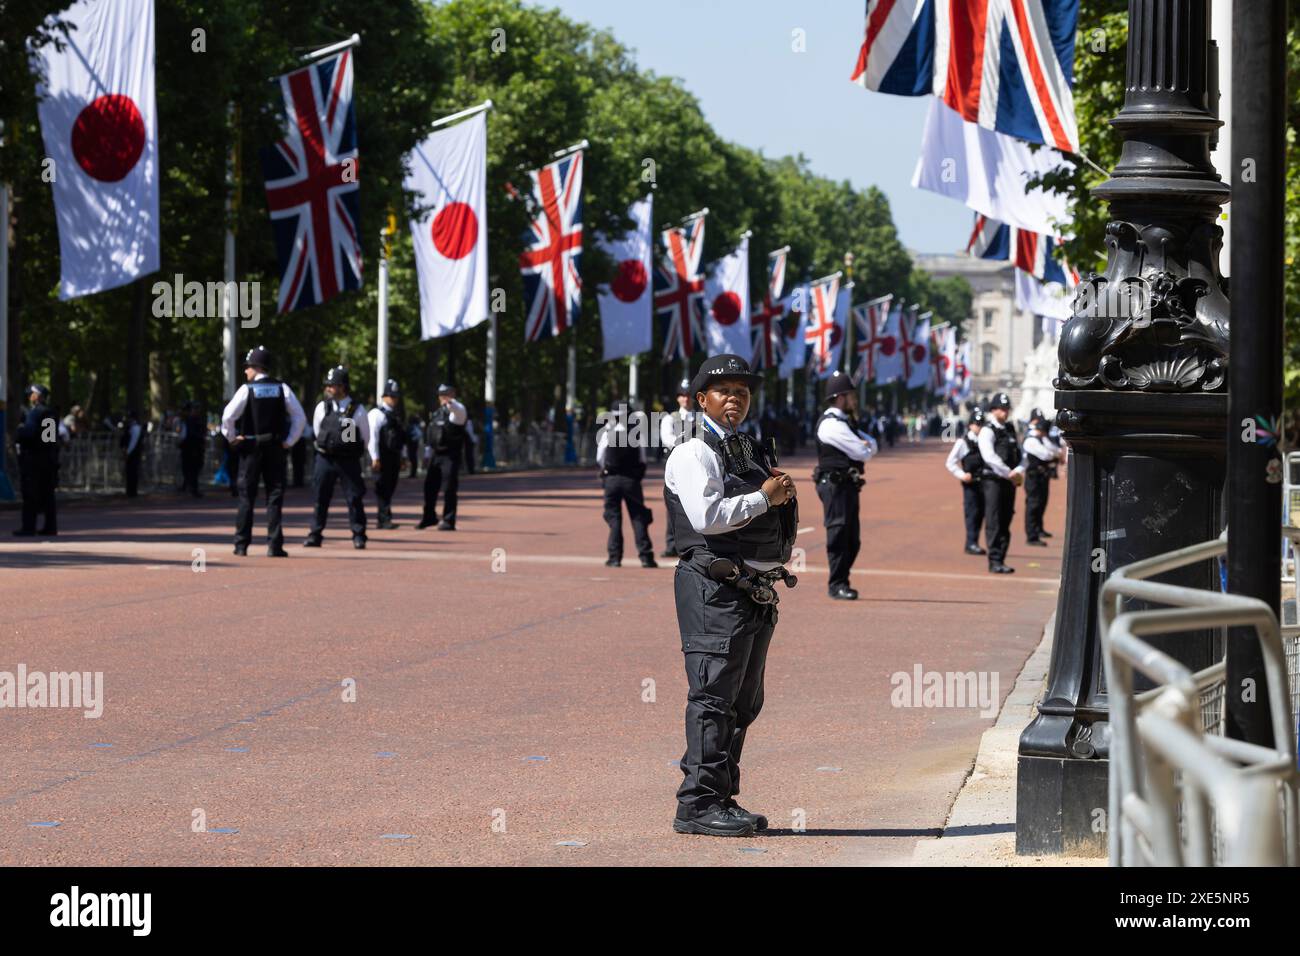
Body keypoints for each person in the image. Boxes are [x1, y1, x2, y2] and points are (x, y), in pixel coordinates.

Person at [664, 353, 799, 838]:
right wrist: (766, 497)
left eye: (742, 392)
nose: (735, 399)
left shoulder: (742, 448)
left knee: (743, 702)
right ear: (702, 400)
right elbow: (707, 518)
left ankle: (720, 796)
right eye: (725, 391)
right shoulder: (694, 451)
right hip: (714, 589)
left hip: (748, 591)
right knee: (713, 697)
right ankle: (697, 804)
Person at [219, 346, 307, 557]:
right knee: (274, 497)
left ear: (256, 367)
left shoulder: (246, 390)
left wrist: (232, 439)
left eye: (248, 367)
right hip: (275, 448)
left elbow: (227, 417)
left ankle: (241, 545)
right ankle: (274, 545)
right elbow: (300, 417)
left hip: (251, 448)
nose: (245, 371)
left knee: (246, 497)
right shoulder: (282, 388)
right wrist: (289, 441)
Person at [814, 370, 877, 600]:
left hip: (847, 485)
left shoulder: (844, 422)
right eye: (850, 394)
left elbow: (872, 445)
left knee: (852, 539)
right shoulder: (832, 425)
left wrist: (865, 445)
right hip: (835, 486)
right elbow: (864, 451)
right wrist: (864, 445)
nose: (854, 399)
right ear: (840, 396)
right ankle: (837, 583)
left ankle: (842, 580)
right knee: (839, 535)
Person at [307, 365, 370, 549]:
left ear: (343, 387)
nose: (328, 388)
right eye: (328, 385)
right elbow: (318, 432)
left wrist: (348, 450)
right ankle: (315, 534)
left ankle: (359, 535)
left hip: (347, 461)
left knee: (354, 498)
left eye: (332, 385)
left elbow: (364, 437)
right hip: (325, 459)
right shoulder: (323, 407)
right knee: (320, 497)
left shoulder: (355, 410)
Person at [596, 402, 656, 568]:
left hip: (612, 479)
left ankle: (614, 557)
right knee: (638, 517)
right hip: (631, 480)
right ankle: (646, 557)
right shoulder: (636, 432)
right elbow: (643, 457)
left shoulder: (607, 431)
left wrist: (606, 472)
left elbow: (600, 457)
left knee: (614, 518)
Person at [978, 392, 1024, 574]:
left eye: (1007, 409)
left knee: (1006, 518)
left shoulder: (1010, 429)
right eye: (1001, 409)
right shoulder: (987, 430)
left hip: (1009, 480)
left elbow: (1020, 453)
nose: (1005, 413)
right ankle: (994, 559)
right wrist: (1009, 472)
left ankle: (1001, 558)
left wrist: (1019, 469)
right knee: (994, 520)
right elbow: (989, 456)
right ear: (993, 410)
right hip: (994, 481)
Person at [13, 384, 66, 537]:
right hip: (48, 459)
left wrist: (20, 431)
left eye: (32, 394)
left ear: (38, 396)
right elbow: (49, 438)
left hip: (34, 459)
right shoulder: (50, 413)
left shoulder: (35, 413)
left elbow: (28, 433)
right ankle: (50, 527)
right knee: (48, 495)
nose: (30, 396)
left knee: (30, 494)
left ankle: (28, 527)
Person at [418, 383, 467, 531]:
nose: (443, 398)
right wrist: (427, 454)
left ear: (453, 395)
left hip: (450, 456)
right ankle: (429, 517)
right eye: (441, 395)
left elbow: (456, 409)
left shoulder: (457, 412)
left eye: (446, 394)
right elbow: (430, 435)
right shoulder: (437, 414)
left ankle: (448, 519)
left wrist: (450, 402)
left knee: (449, 489)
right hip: (436, 455)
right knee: (429, 487)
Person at [658, 378, 696, 558]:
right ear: (678, 398)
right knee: (674, 502)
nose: (685, 399)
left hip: (696, 465)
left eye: (688, 395)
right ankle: (672, 544)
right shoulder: (669, 418)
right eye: (682, 395)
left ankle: (693, 543)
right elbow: (668, 439)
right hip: (676, 464)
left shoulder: (702, 418)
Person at [945, 409, 988, 556]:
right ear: (970, 425)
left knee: (982, 512)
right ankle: (970, 543)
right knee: (972, 513)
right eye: (976, 423)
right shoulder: (963, 442)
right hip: (971, 484)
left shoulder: (986, 441)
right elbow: (950, 462)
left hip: (984, 482)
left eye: (982, 424)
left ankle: (974, 542)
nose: (979, 427)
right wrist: (962, 475)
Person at [367, 379, 407, 530]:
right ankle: (384, 518)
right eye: (391, 396)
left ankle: (384, 516)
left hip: (394, 457)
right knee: (382, 488)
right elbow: (373, 437)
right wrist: (374, 457)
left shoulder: (396, 415)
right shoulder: (376, 414)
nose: (394, 399)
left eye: (395, 396)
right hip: (382, 457)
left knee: (390, 487)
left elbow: (401, 438)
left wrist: (403, 456)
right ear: (384, 396)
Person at [1022, 411, 1065, 546]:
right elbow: (1046, 455)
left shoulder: (1042, 438)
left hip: (1043, 476)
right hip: (1033, 477)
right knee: (1033, 505)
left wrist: (1054, 453)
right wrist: (1054, 456)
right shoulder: (1031, 440)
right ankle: (1031, 535)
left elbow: (1056, 450)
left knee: (1042, 503)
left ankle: (1039, 529)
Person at [177, 400, 207, 497]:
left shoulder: (195, 420)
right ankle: (191, 488)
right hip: (191, 448)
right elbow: (190, 435)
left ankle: (190, 487)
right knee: (190, 469)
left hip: (194, 448)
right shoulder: (189, 421)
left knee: (193, 469)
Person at [122, 410, 144, 497]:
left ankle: (132, 491)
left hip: (134, 453)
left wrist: (128, 452)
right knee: (129, 471)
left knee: (133, 472)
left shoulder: (135, 427)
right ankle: (130, 491)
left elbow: (133, 442)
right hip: (131, 452)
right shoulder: (130, 427)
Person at [405, 414, 422, 478]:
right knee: (412, 458)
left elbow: (418, 434)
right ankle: (413, 473)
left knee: (412, 458)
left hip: (412, 444)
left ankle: (413, 473)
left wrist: (413, 439)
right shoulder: (414, 426)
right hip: (412, 443)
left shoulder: (413, 426)